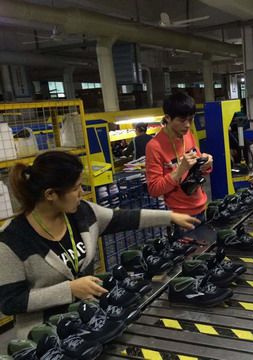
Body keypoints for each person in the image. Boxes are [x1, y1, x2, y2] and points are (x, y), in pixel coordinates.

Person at [0, 151, 200, 338]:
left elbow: (123, 218)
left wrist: (170, 216)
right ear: (50, 194)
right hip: (48, 338)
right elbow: (10, 302)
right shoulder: (12, 239)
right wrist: (69, 289)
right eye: (76, 188)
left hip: (90, 322)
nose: (82, 192)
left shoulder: (82, 214)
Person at [145, 93, 213, 221]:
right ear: (168, 118)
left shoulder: (187, 135)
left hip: (201, 205)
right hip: (179, 215)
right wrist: (180, 170)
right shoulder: (154, 147)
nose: (187, 125)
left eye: (191, 119)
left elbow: (198, 168)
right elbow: (154, 189)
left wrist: (206, 164)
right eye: (182, 120)